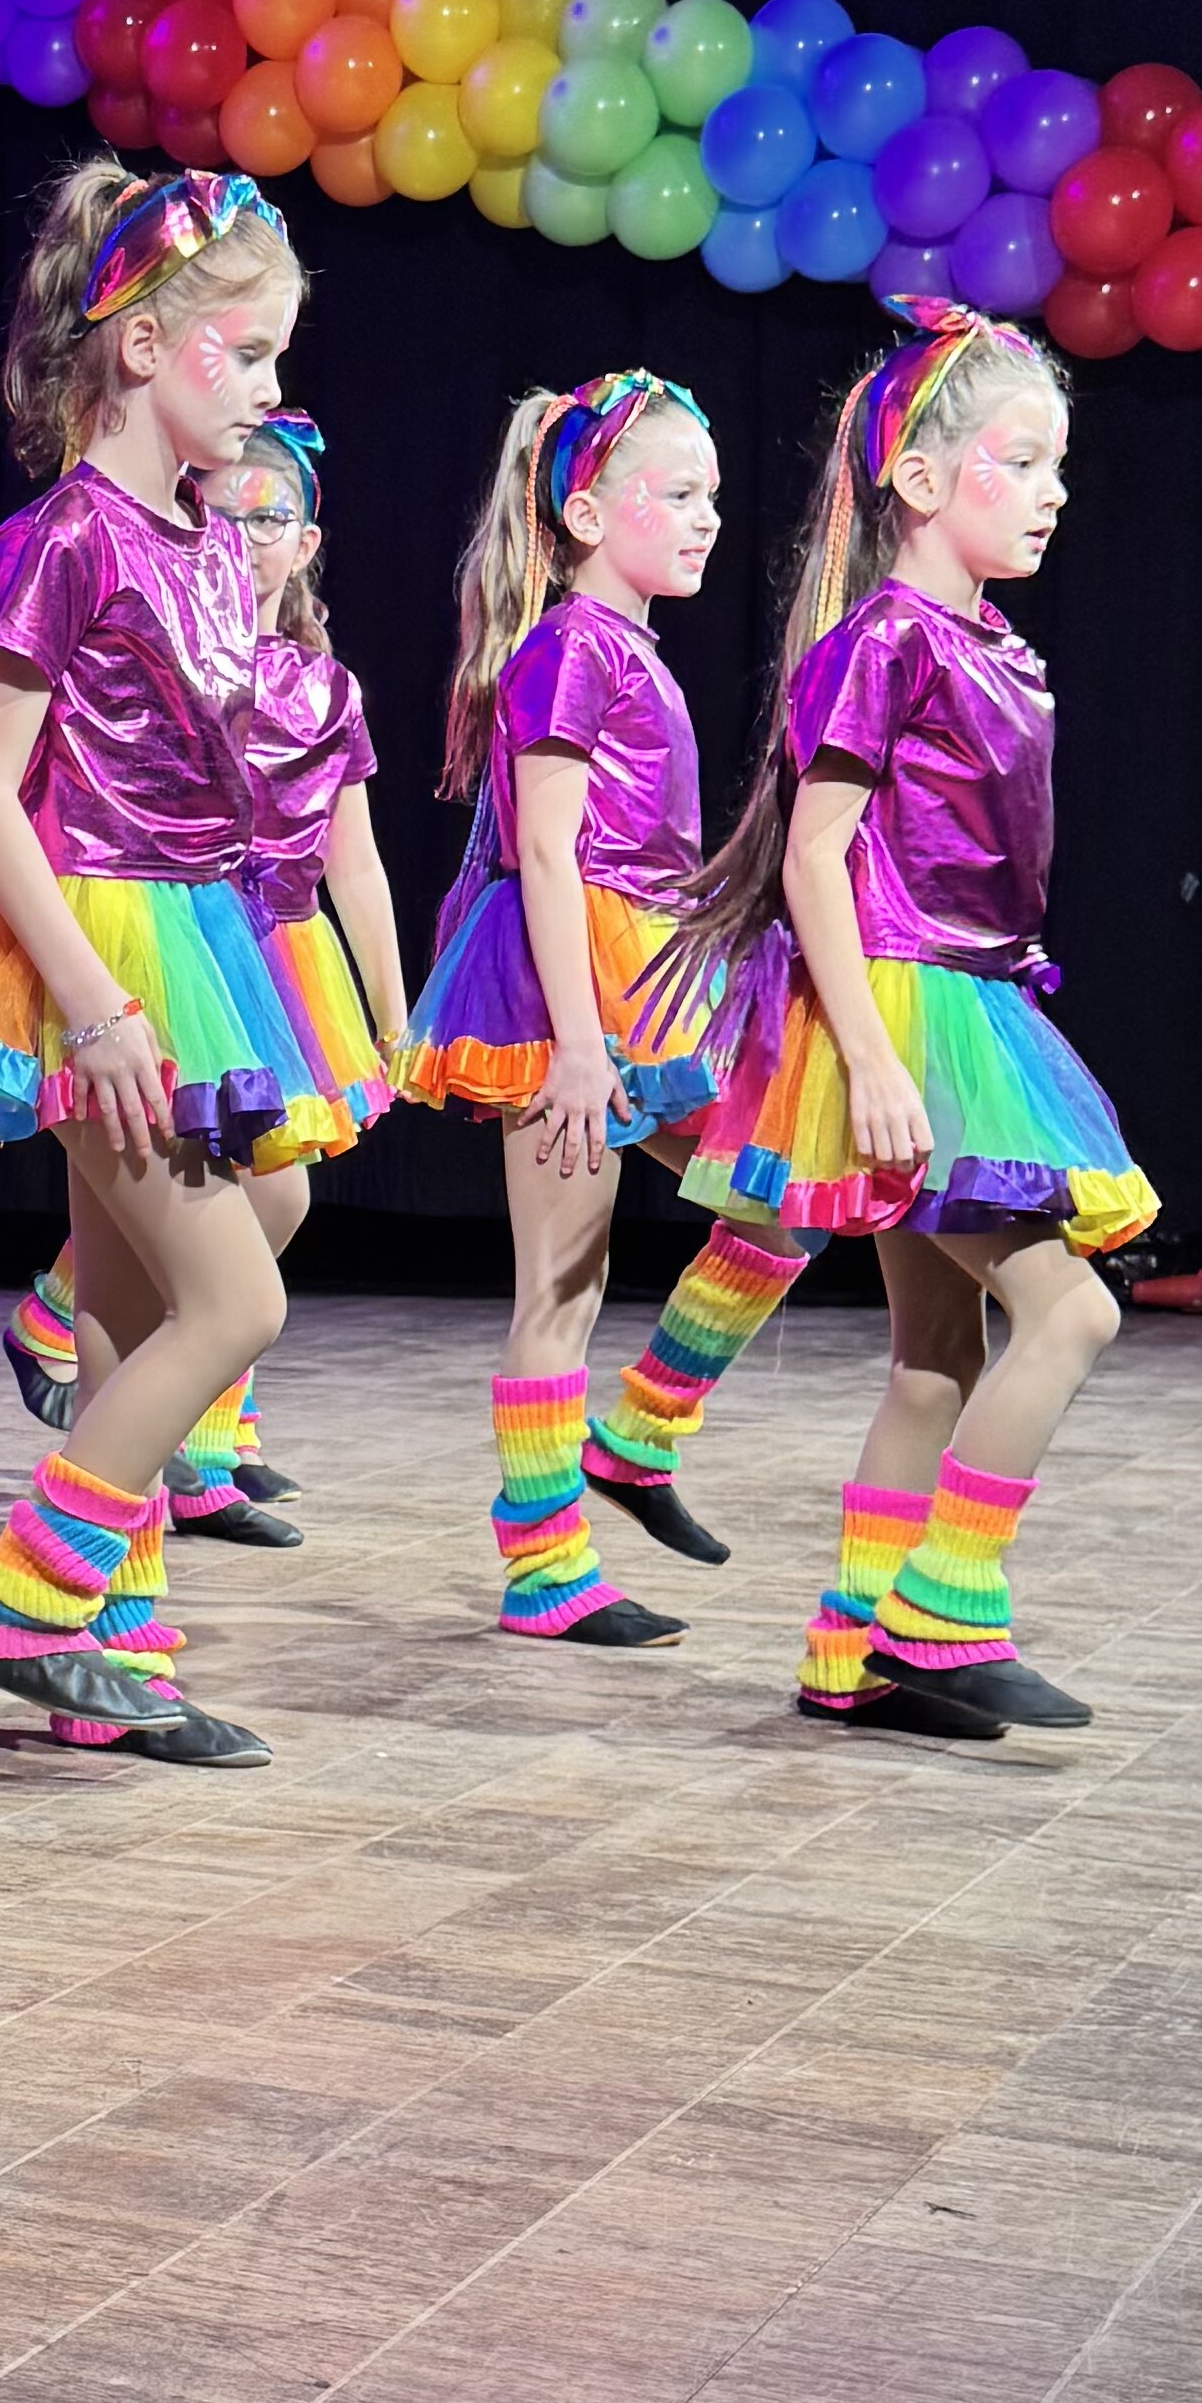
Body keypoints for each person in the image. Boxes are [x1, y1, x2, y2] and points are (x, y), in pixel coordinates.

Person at [0, 164, 383, 1766]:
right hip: (98, 946)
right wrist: (93, 1003)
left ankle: (119, 1650)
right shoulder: (67, 539)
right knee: (237, 1300)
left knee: (124, 1306)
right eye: (250, 352)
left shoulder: (204, 546)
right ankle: (27, 1600)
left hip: (190, 928)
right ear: (146, 345)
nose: (272, 387)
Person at [672, 299, 1152, 1738]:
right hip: (903, 1013)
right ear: (924, 478)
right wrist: (874, 1059)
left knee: (936, 1358)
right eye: (1023, 461)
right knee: (1071, 1312)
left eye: (1059, 464)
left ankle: (850, 1653)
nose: (1053, 491)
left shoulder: (986, 642)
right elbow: (815, 857)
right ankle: (943, 1610)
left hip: (972, 1003)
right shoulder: (884, 641)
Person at [399, 368, 803, 1647]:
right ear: (585, 514)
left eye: (712, 496)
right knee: (562, 1282)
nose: (706, 517)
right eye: (676, 494)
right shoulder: (569, 646)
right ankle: (543, 1567)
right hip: (565, 983)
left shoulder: (622, 649)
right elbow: (547, 850)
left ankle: (641, 1431)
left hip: (649, 966)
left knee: (782, 1199)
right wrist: (579, 1046)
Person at [0, 409, 403, 1550]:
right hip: (163, 935)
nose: (245, 537)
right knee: (219, 1241)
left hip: (265, 952)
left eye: (271, 520)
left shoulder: (320, 687)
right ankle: (105, 1514)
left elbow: (355, 862)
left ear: (307, 543)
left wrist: (391, 1009)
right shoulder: (136, 599)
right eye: (227, 514)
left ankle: (193, 1472)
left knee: (252, 1211)